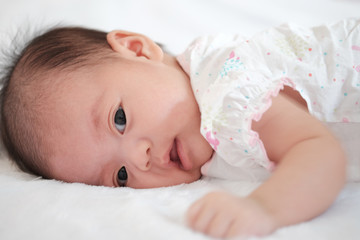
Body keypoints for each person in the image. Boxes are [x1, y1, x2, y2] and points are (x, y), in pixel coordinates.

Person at [1, 18, 359, 238]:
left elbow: (318, 153)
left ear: (137, 49)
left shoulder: (225, 87)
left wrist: (264, 209)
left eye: (119, 119)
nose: (138, 160)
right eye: (120, 176)